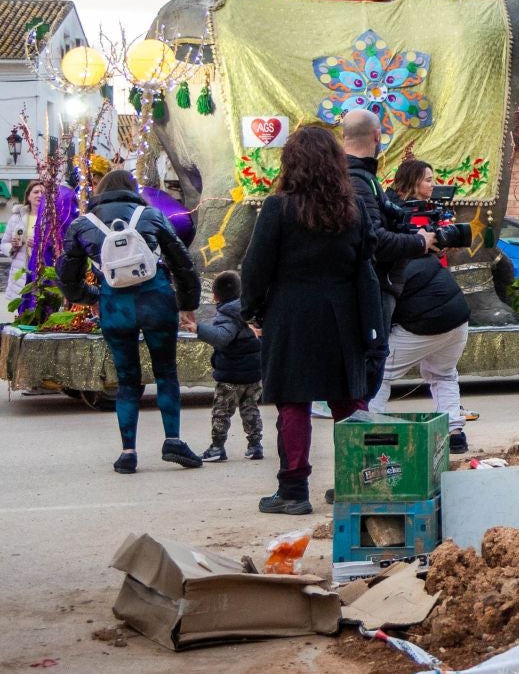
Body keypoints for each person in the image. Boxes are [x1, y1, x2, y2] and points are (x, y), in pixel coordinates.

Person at [243, 125, 384, 515]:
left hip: (291, 316)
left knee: (293, 403)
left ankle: (293, 491)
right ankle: (357, 484)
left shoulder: (279, 208)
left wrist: (251, 309)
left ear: (293, 163)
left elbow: (256, 266)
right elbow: (365, 266)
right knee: (348, 404)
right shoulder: (352, 210)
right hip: (343, 315)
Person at [57, 169, 202, 473]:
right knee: (165, 372)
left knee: (126, 380)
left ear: (101, 190)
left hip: (115, 306)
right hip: (157, 301)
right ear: (133, 189)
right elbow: (182, 263)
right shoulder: (151, 216)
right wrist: (187, 304)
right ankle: (173, 440)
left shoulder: (84, 224)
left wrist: (92, 297)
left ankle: (128, 452)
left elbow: (67, 278)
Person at [373, 159, 473, 454]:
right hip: (457, 313)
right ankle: (455, 433)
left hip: (425, 316)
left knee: (379, 374)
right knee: (443, 374)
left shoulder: (390, 249)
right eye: (428, 179)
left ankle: (371, 433)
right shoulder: (401, 226)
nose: (433, 184)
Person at [340, 108, 433, 400]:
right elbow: (375, 240)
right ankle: (358, 425)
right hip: (372, 285)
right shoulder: (358, 180)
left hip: (371, 284)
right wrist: (419, 243)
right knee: (372, 358)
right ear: (377, 136)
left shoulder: (360, 178)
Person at [195, 270, 263, 462]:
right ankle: (255, 445)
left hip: (231, 374)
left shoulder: (228, 313)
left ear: (215, 295)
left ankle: (217, 447)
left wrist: (198, 329)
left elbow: (222, 337)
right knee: (250, 408)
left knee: (221, 411)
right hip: (252, 372)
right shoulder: (248, 310)